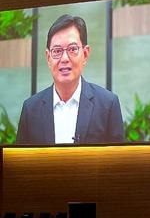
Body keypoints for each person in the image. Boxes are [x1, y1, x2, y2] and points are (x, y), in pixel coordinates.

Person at [16, 14, 125, 144]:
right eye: (57, 51)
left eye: (72, 49)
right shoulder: (30, 109)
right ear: (48, 57)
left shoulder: (108, 104)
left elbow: (118, 156)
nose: (64, 58)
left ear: (85, 54)